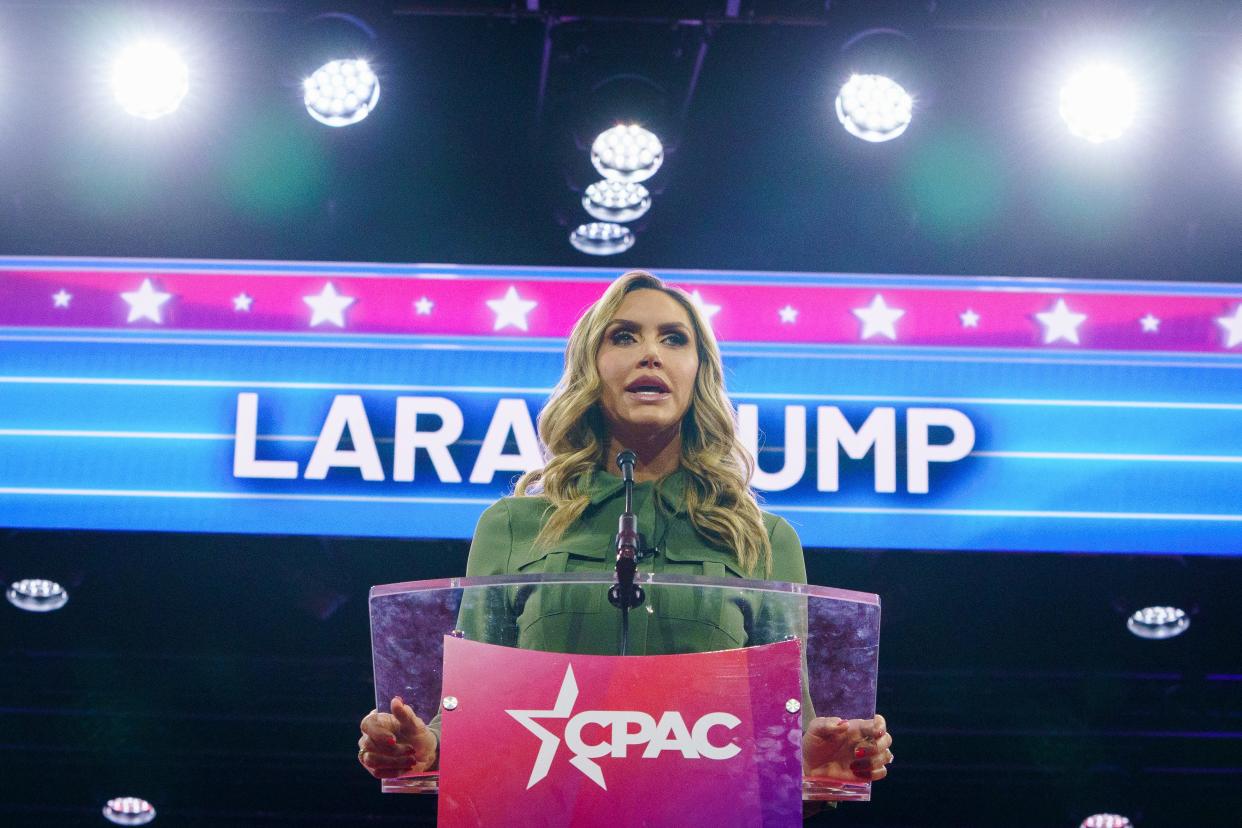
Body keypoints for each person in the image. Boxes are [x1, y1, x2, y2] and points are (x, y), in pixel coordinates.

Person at [358, 270, 894, 788]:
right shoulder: (512, 527)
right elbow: (469, 714)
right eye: (624, 336)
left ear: (698, 372)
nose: (650, 353)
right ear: (592, 368)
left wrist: (817, 759)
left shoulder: (761, 539)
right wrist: (423, 748)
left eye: (673, 339)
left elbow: (786, 728)